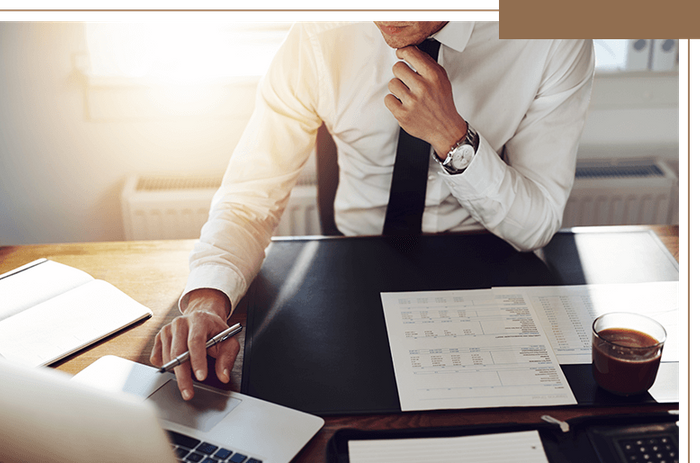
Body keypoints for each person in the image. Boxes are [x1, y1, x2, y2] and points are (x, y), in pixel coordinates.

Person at [150, 20, 595, 400]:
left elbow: (536, 223)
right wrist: (208, 299)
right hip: (350, 271)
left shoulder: (554, 34)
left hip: (488, 267)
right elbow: (250, 197)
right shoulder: (319, 35)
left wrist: (453, 138)